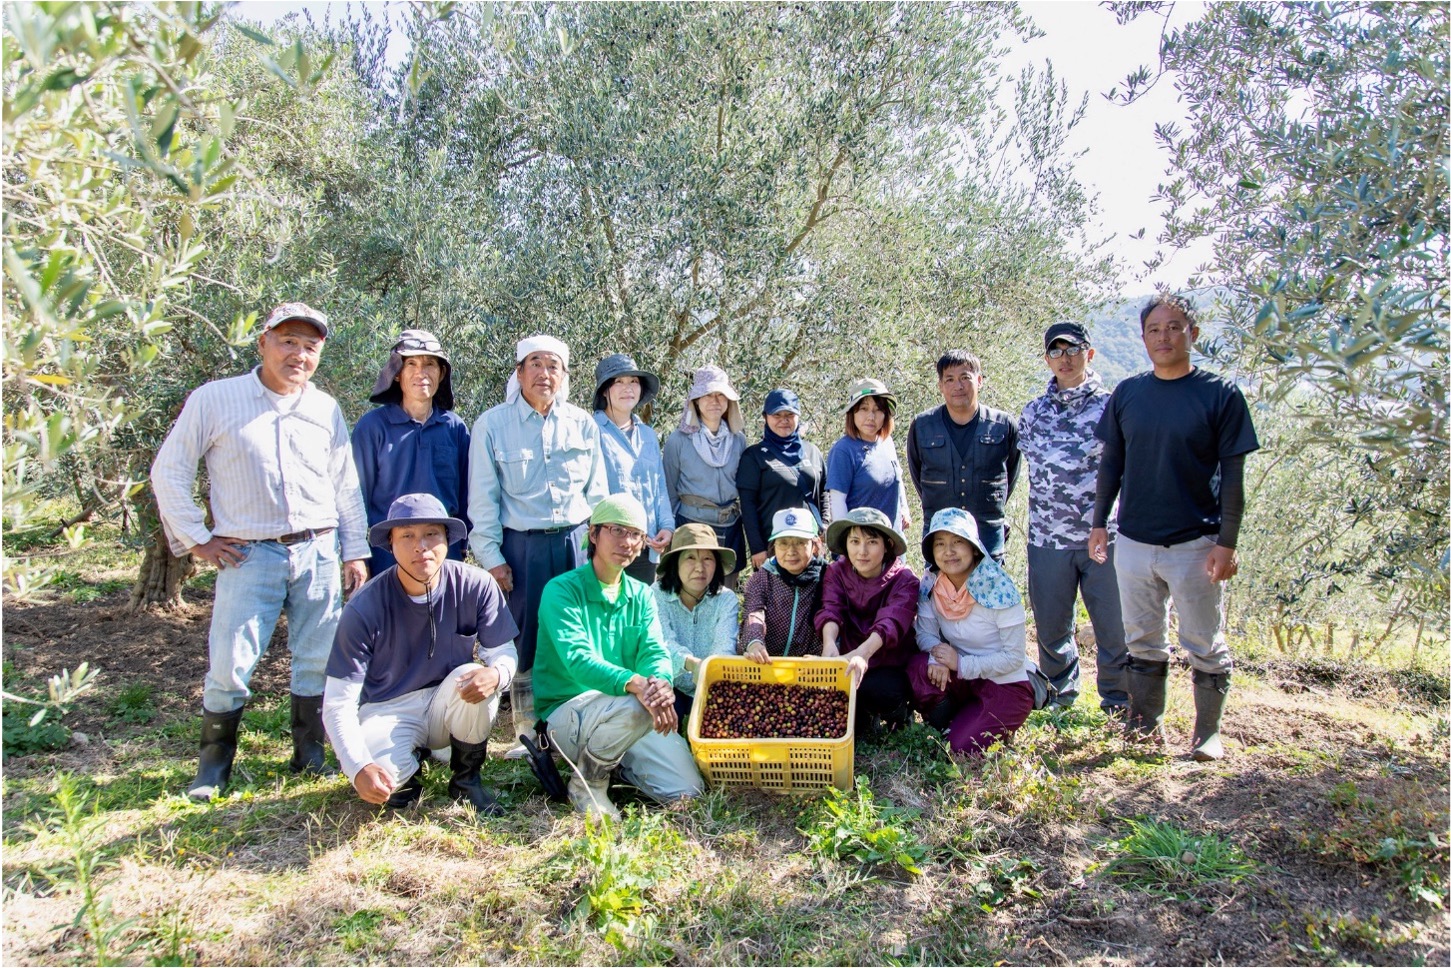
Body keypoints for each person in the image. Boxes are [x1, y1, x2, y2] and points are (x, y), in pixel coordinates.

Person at [151, 301, 369, 802]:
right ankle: (213, 768)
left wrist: (354, 550)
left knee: (316, 658)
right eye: (288, 341)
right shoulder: (216, 400)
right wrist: (197, 538)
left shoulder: (323, 407)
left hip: (317, 548)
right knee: (230, 662)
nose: (299, 354)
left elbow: (345, 485)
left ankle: (309, 755)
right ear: (264, 343)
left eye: (310, 347)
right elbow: (170, 470)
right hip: (248, 554)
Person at [1089, 293, 1260, 760]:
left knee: (1204, 641)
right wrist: (1100, 522)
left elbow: (1233, 478)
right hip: (1135, 541)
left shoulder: (1220, 395)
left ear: (1193, 334)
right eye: (1154, 329)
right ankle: (1144, 728)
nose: (1164, 336)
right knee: (1142, 639)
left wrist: (1227, 542)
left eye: (1174, 327)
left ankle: (1208, 734)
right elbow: (1112, 465)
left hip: (1196, 543)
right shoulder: (1129, 393)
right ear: (1142, 337)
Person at [322, 494, 518, 815]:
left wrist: (497, 674)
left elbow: (503, 653)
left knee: (474, 674)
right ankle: (408, 776)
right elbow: (338, 702)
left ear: (446, 539)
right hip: (387, 709)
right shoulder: (364, 607)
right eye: (407, 536)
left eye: (431, 534)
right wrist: (358, 767)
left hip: (448, 701)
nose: (420, 546)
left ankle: (467, 780)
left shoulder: (476, 584)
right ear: (390, 543)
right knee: (385, 782)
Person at [467, 335, 607, 748]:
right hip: (521, 547)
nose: (544, 373)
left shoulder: (582, 423)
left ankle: (576, 723)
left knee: (578, 631)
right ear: (519, 372)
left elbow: (597, 492)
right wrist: (491, 557)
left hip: (577, 542)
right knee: (525, 636)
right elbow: (483, 497)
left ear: (564, 375)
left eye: (553, 366)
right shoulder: (492, 424)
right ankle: (528, 734)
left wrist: (601, 548)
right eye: (535, 364)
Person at [533, 495, 705, 818]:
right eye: (616, 530)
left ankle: (618, 767)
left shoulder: (641, 594)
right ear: (593, 534)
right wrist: (636, 683)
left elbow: (655, 651)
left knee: (686, 789)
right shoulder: (561, 591)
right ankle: (588, 785)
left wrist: (661, 685)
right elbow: (578, 660)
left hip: (629, 708)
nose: (627, 542)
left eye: (636, 534)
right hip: (568, 710)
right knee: (637, 706)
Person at [1017, 322, 1129, 714]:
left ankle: (1118, 702)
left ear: (1090, 353)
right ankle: (1059, 701)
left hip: (1105, 537)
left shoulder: (1112, 406)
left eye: (1072, 349)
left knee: (1113, 626)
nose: (1064, 359)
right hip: (1048, 540)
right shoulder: (1032, 413)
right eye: (1055, 351)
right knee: (1051, 628)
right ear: (1047, 359)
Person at [908, 508, 1034, 755]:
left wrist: (960, 664)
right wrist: (938, 656)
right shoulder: (931, 583)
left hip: (1005, 684)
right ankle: (949, 723)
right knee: (919, 667)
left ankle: (971, 728)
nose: (948, 551)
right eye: (940, 543)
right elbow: (924, 633)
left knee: (962, 748)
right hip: (963, 679)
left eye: (958, 542)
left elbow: (1013, 658)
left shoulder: (998, 588)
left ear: (974, 548)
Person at [352, 330, 470, 574]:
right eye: (412, 364)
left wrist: (462, 546)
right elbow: (356, 496)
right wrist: (356, 555)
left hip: (442, 551)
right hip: (388, 554)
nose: (421, 373)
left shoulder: (454, 427)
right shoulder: (372, 427)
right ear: (397, 374)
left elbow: (466, 493)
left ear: (442, 372)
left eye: (429, 364)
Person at [906, 351, 1020, 562]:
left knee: (988, 595)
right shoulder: (922, 426)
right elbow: (917, 474)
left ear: (979, 380)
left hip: (987, 537)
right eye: (949, 379)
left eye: (965, 377)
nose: (958, 386)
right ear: (940, 386)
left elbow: (1010, 476)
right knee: (941, 595)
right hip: (940, 540)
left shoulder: (1003, 426)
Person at [816, 507, 919, 738]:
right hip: (848, 660)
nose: (862, 551)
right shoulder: (836, 572)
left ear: (887, 545)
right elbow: (831, 609)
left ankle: (899, 713)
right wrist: (829, 644)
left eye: (872, 542)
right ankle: (863, 715)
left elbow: (891, 622)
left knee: (882, 691)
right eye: (854, 541)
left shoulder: (905, 579)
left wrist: (862, 654)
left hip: (887, 663)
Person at [591, 353, 675, 584]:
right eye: (619, 381)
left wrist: (667, 527)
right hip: (610, 546)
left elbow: (659, 487)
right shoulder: (592, 430)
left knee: (638, 614)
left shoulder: (647, 434)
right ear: (605, 390)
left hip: (646, 547)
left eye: (633, 382)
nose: (628, 388)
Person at [662, 365, 748, 586]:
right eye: (707, 395)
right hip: (690, 524)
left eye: (721, 395)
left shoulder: (738, 440)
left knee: (725, 592)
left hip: (729, 526)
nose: (714, 401)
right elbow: (669, 491)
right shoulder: (678, 441)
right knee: (690, 590)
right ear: (696, 401)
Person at [651, 524, 740, 724]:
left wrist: (709, 672)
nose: (700, 568)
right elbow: (662, 643)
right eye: (690, 558)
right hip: (668, 685)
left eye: (707, 559)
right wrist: (691, 663)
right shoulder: (656, 595)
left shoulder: (726, 599)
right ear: (676, 563)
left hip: (711, 684)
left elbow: (724, 648)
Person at [737, 388, 825, 569]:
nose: (784, 420)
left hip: (810, 546)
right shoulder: (753, 456)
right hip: (772, 549)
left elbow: (825, 492)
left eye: (789, 415)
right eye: (777, 415)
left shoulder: (812, 451)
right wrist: (757, 548)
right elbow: (747, 506)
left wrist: (826, 525)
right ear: (765, 417)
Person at [739, 507, 827, 661]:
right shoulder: (763, 577)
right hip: (767, 663)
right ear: (774, 546)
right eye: (783, 543)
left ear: (814, 544)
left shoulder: (827, 576)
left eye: (800, 543)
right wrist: (754, 642)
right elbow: (754, 612)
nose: (791, 551)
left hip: (809, 667)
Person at [826, 379, 911, 533]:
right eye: (864, 409)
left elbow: (898, 479)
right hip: (859, 549)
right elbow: (837, 502)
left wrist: (904, 509)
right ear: (852, 412)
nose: (871, 416)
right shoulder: (843, 451)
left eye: (878, 410)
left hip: (891, 543)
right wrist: (847, 544)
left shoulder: (887, 443)